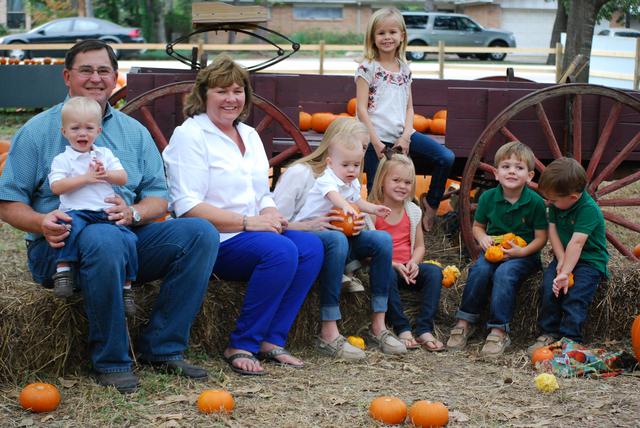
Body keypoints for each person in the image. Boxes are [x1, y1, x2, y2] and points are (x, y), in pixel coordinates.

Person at [0, 40, 220, 394]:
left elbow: (159, 197)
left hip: (126, 236)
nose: (95, 78)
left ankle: (162, 347)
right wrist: (41, 222)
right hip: (60, 248)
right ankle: (112, 360)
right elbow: (8, 201)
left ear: (115, 77)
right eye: (86, 70)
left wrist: (133, 212)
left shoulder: (134, 132)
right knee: (104, 239)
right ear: (67, 76)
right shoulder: (38, 131)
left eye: (104, 71)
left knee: (200, 233)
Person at [162, 54, 324, 376]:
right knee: (280, 251)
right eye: (221, 91)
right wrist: (250, 222)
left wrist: (270, 211)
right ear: (203, 95)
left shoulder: (249, 135)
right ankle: (241, 344)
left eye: (237, 91)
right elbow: (187, 205)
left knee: (311, 248)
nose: (231, 98)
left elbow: (261, 191)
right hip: (214, 239)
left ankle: (272, 339)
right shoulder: (190, 135)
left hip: (251, 232)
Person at [273, 117, 407, 360]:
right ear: (334, 148)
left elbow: (354, 205)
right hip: (305, 237)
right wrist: (309, 225)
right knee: (337, 240)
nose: (360, 156)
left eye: (364, 149)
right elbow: (274, 222)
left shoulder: (349, 177)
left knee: (381, 240)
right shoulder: (302, 174)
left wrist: (357, 223)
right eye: (358, 146)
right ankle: (329, 332)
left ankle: (379, 326)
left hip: (338, 239)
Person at [355, 7, 455, 232]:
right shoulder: (367, 68)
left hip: (401, 133)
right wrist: (376, 143)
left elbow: (409, 107)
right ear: (372, 37)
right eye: (381, 33)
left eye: (392, 32)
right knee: (376, 191)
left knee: (445, 157)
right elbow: (361, 109)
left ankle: (431, 203)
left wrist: (406, 136)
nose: (387, 37)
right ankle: (378, 236)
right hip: (373, 137)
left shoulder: (404, 69)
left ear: (402, 36)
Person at [446, 141, 548, 357]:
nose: (512, 171)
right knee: (479, 270)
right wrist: (482, 238)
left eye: (519, 168)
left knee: (504, 274)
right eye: (506, 167)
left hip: (524, 255)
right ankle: (465, 321)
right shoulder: (488, 198)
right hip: (494, 251)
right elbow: (478, 227)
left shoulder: (536, 203)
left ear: (530, 176)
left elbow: (541, 238)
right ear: (496, 173)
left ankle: (499, 330)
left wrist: (522, 252)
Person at [48, 96, 137, 317]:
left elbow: (123, 177)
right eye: (75, 128)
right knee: (68, 227)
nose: (82, 133)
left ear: (98, 131)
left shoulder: (104, 155)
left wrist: (106, 174)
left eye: (89, 128)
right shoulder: (63, 159)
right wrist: (86, 178)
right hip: (76, 211)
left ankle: (127, 286)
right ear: (64, 132)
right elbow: (57, 186)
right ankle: (64, 269)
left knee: (129, 239)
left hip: (104, 211)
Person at [527, 157, 608, 355]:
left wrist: (565, 273)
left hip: (589, 261)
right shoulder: (556, 204)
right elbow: (552, 231)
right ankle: (548, 332)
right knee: (548, 287)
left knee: (576, 295)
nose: (549, 203)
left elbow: (577, 243)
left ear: (573, 197)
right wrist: (561, 260)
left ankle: (571, 340)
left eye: (553, 200)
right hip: (565, 256)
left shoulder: (588, 210)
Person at [367, 153, 445, 351]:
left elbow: (419, 246)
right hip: (387, 268)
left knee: (434, 273)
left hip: (408, 269)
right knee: (386, 273)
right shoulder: (372, 212)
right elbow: (367, 252)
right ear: (382, 180)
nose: (402, 186)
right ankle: (402, 328)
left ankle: (424, 328)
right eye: (396, 180)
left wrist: (414, 263)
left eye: (408, 182)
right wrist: (394, 265)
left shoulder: (413, 211)